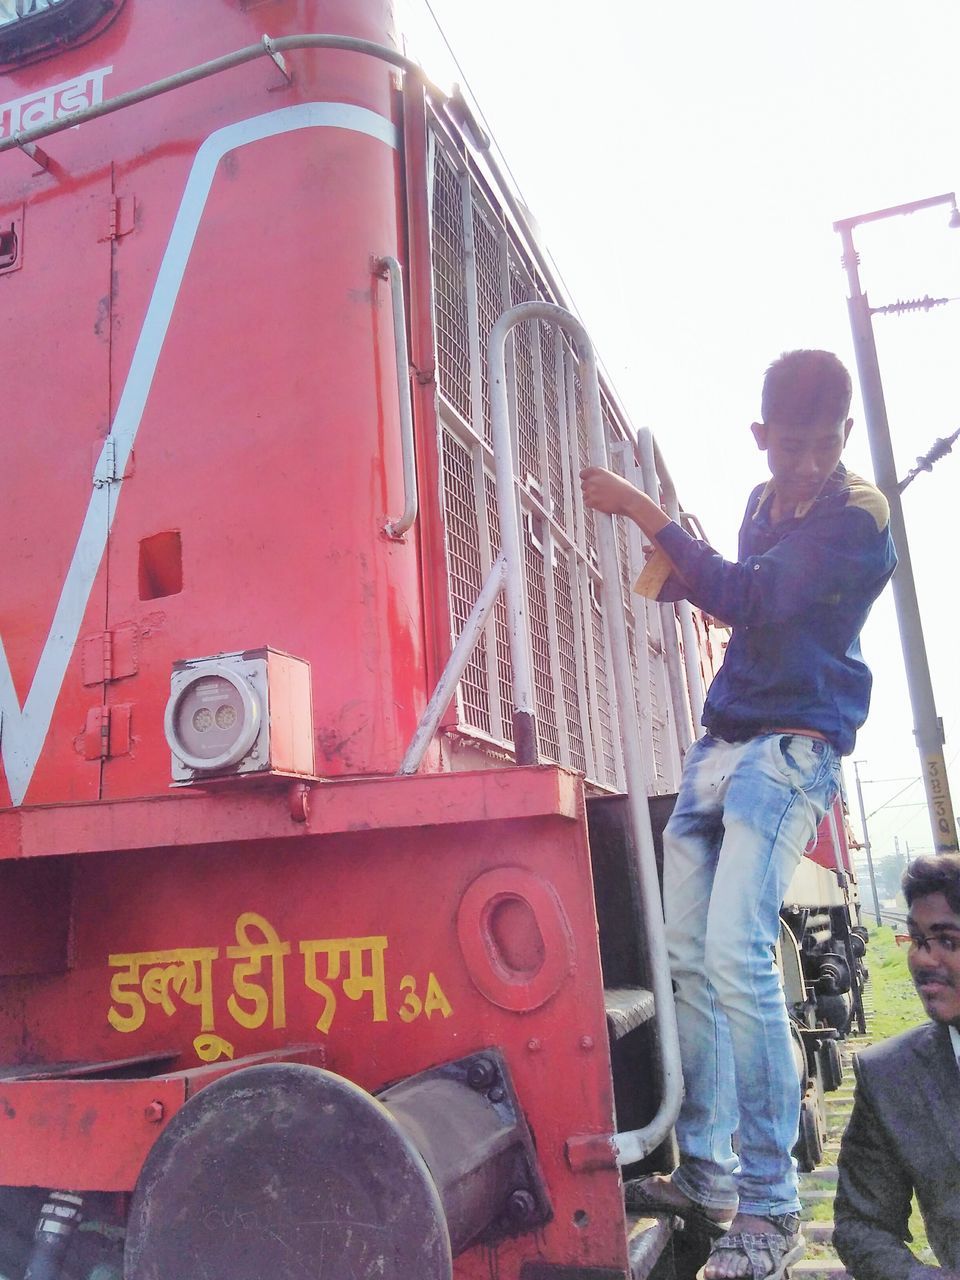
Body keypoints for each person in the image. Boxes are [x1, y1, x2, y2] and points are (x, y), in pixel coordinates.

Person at [580, 349, 897, 1280]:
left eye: (821, 446)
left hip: (790, 752)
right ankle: (711, 1177)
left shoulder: (859, 514)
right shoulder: (765, 505)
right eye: (787, 447)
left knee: (736, 957)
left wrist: (649, 515)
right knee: (684, 956)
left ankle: (770, 1210)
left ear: (844, 437)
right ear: (761, 438)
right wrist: (680, 574)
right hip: (720, 748)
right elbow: (750, 600)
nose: (804, 465)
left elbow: (756, 593)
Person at [833, 854, 960, 1278]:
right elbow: (861, 1225)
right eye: (918, 940)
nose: (924, 960)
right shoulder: (891, 1075)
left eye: (947, 941)